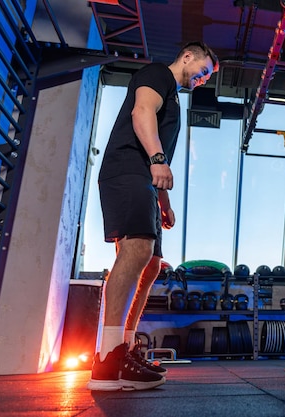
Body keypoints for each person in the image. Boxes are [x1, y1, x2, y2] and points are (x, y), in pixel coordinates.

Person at [87, 41, 219, 391]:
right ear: (187, 56)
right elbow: (141, 111)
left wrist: (163, 203)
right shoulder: (158, 74)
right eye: (204, 70)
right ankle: (107, 361)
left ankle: (125, 348)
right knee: (137, 252)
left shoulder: (174, 98)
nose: (204, 79)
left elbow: (155, 134)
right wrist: (158, 161)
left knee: (152, 263)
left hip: (144, 179)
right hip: (128, 169)